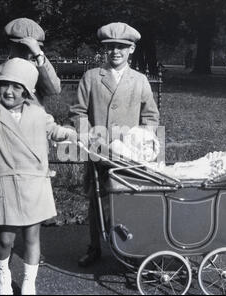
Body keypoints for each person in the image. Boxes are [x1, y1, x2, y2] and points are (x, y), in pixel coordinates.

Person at [0, 58, 76, 295]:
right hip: (3, 185)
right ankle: (3, 275)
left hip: (34, 184)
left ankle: (29, 281)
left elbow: (55, 131)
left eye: (17, 87)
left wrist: (70, 133)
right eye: (5, 85)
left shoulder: (38, 114)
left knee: (32, 236)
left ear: (27, 92)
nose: (10, 91)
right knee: (6, 239)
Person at [69, 22, 160, 267]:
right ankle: (94, 247)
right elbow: (78, 112)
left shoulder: (140, 80)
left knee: (128, 198)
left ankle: (131, 247)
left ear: (131, 49)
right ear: (104, 50)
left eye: (121, 47)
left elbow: (150, 116)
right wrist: (87, 134)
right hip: (98, 151)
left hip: (128, 155)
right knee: (96, 198)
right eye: (110, 47)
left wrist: (142, 138)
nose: (115, 52)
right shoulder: (91, 77)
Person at [0, 18, 61, 107]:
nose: (27, 52)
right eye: (22, 47)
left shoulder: (39, 71)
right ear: (11, 45)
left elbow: (54, 91)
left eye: (32, 48)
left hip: (34, 120)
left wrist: (39, 55)